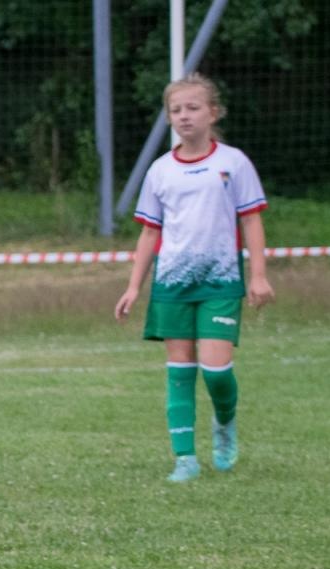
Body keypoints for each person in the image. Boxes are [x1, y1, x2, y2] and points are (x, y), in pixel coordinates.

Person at [115, 73, 273, 482]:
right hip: (172, 285)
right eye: (176, 110)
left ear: (213, 112)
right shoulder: (160, 170)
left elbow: (251, 220)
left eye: (193, 107)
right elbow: (150, 231)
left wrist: (258, 276)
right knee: (180, 369)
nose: (184, 116)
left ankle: (225, 423)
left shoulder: (233, 163)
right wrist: (134, 286)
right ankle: (184, 458)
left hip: (221, 281)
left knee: (217, 370)